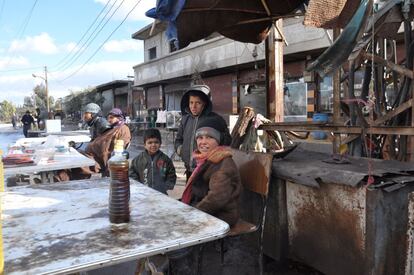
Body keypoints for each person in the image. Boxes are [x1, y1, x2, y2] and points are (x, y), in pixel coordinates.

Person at [168, 118, 241, 275]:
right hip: (206, 207)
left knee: (180, 230)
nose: (203, 141)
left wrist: (191, 213)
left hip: (222, 214)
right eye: (200, 137)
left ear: (219, 140)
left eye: (209, 137)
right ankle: (176, 263)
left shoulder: (223, 163)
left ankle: (184, 267)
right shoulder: (205, 159)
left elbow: (216, 198)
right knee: (170, 218)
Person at [175, 84, 232, 180]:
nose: (193, 106)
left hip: (208, 170)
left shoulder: (216, 120)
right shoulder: (185, 120)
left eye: (198, 103)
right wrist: (181, 151)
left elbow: (227, 142)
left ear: (205, 103)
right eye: (191, 102)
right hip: (189, 170)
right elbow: (178, 140)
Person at [129, 129, 176, 194]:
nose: (153, 145)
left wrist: (165, 186)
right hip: (143, 193)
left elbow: (172, 174)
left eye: (156, 142)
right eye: (150, 142)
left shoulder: (165, 159)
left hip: (161, 194)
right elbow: (132, 174)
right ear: (144, 145)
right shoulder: (138, 160)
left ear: (160, 143)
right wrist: (139, 186)